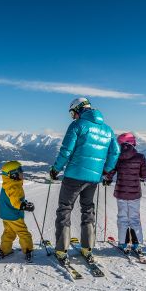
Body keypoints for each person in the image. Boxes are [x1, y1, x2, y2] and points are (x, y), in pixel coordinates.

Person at [49, 97, 120, 264]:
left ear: (78, 109)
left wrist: (55, 169)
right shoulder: (107, 130)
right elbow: (115, 152)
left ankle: (61, 250)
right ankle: (87, 248)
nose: (73, 117)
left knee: (64, 209)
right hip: (93, 178)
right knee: (88, 209)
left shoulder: (77, 125)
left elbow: (66, 150)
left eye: (73, 113)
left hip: (74, 175)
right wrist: (105, 170)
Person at [104, 132, 146, 253]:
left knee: (122, 218)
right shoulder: (140, 157)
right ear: (133, 143)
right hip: (135, 194)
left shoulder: (117, 157)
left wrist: (107, 179)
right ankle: (137, 243)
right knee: (134, 218)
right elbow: (144, 175)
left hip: (121, 193)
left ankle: (123, 243)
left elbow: (110, 172)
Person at [0, 161, 35, 262]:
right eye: (20, 171)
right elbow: (16, 202)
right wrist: (24, 206)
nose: (22, 172)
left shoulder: (8, 184)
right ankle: (28, 250)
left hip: (6, 214)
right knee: (23, 232)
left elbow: (15, 199)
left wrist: (24, 203)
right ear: (13, 174)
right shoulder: (14, 187)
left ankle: (5, 250)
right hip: (14, 215)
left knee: (9, 232)